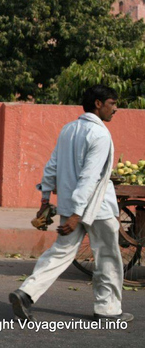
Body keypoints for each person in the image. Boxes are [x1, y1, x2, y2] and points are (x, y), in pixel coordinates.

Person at [9, 85, 133, 323]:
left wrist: (45, 201)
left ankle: (26, 293)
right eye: (112, 103)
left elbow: (51, 167)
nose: (116, 109)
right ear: (98, 103)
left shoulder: (69, 129)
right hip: (97, 208)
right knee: (107, 256)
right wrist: (78, 213)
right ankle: (108, 311)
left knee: (59, 253)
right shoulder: (100, 135)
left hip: (70, 206)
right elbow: (90, 177)